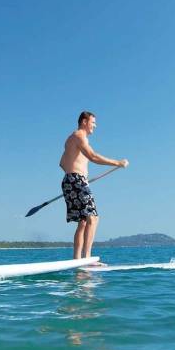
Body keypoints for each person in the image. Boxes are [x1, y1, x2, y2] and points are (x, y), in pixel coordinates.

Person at [59, 111, 128, 261]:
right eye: (93, 122)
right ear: (84, 122)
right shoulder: (79, 136)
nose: (95, 126)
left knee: (83, 222)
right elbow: (93, 156)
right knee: (93, 218)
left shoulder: (71, 138)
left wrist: (75, 175)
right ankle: (87, 258)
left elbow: (62, 163)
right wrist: (118, 163)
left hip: (71, 180)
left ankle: (77, 260)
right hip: (76, 180)